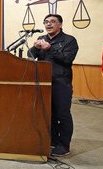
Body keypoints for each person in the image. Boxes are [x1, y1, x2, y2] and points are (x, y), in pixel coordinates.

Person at [28, 14, 79, 157]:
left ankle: (64, 145)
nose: (48, 24)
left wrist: (50, 49)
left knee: (62, 114)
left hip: (61, 83)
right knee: (48, 113)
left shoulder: (69, 40)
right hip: (44, 83)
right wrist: (34, 48)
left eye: (52, 22)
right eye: (46, 22)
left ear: (60, 25)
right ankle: (53, 141)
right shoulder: (42, 39)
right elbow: (31, 56)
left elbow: (68, 59)